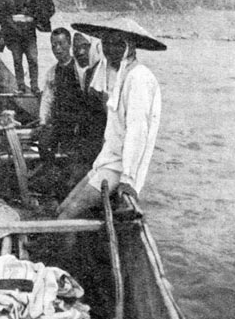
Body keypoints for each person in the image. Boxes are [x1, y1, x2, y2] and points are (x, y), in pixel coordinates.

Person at [56, 17, 165, 220]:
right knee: (62, 208)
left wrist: (128, 179)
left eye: (117, 43)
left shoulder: (138, 78)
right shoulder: (116, 74)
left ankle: (59, 250)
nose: (109, 49)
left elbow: (137, 132)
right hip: (108, 160)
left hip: (120, 167)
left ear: (129, 47)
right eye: (106, 43)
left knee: (67, 216)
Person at [35, 28, 106, 195]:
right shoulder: (52, 72)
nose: (58, 49)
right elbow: (47, 99)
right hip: (60, 122)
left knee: (76, 156)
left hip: (79, 123)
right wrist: (43, 122)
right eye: (54, 45)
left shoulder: (81, 69)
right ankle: (50, 174)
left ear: (69, 46)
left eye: (61, 44)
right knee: (44, 142)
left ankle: (71, 181)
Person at [0, 0, 56, 94]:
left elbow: (47, 9)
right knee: (17, 59)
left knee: (33, 58)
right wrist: (11, 24)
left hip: (29, 31)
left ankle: (34, 86)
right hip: (13, 31)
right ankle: (21, 86)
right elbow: (0, 13)